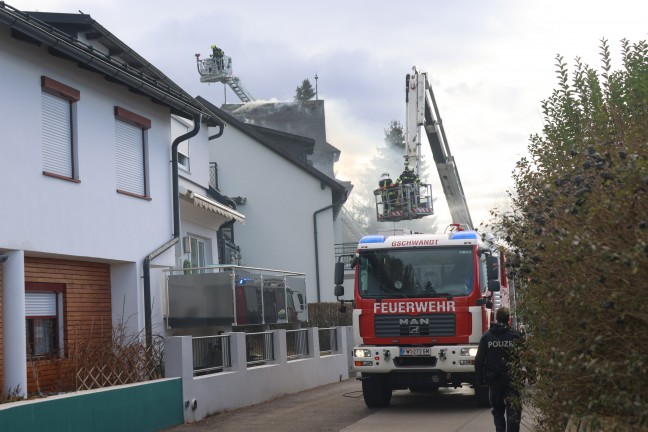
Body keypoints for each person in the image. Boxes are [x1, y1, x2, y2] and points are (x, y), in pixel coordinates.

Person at [475, 307, 522, 432]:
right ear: (509, 319)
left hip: (494, 380)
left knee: (497, 410)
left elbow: (479, 361)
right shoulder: (516, 335)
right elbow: (527, 356)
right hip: (513, 379)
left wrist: (480, 381)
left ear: (496, 318)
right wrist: (531, 376)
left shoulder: (487, 336)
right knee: (514, 411)